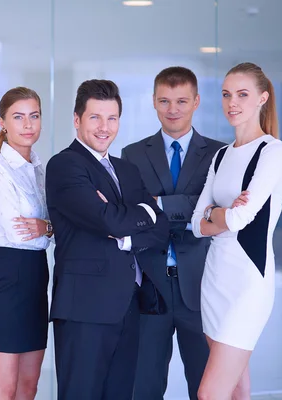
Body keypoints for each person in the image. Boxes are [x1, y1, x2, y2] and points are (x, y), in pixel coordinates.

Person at [45, 79, 170, 399]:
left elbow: (160, 228)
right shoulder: (64, 165)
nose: (104, 127)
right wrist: (142, 212)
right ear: (77, 120)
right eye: (95, 117)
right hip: (85, 308)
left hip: (128, 304)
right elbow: (106, 219)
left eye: (112, 118)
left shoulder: (126, 170)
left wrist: (131, 230)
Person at [121, 66, 225, 400]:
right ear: (153, 102)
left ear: (196, 101)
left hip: (202, 284)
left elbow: (218, 210)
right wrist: (193, 209)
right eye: (164, 101)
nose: (173, 109)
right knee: (143, 385)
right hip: (150, 285)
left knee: (206, 385)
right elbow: (136, 213)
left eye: (181, 101)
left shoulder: (219, 154)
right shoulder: (133, 154)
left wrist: (161, 204)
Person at [191, 62, 282, 400]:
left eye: (242, 94)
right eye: (226, 94)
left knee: (209, 393)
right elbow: (195, 224)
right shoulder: (220, 156)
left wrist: (214, 214)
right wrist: (222, 212)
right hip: (215, 278)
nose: (232, 102)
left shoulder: (273, 152)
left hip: (248, 283)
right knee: (237, 388)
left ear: (263, 98)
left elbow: (239, 220)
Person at [0, 86, 53, 400]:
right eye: (18, 117)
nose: (28, 124)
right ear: (3, 122)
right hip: (5, 278)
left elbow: (54, 226)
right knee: (5, 387)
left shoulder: (40, 169)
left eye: (34, 116)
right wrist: (50, 228)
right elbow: (18, 231)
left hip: (36, 278)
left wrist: (46, 227)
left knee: (29, 385)